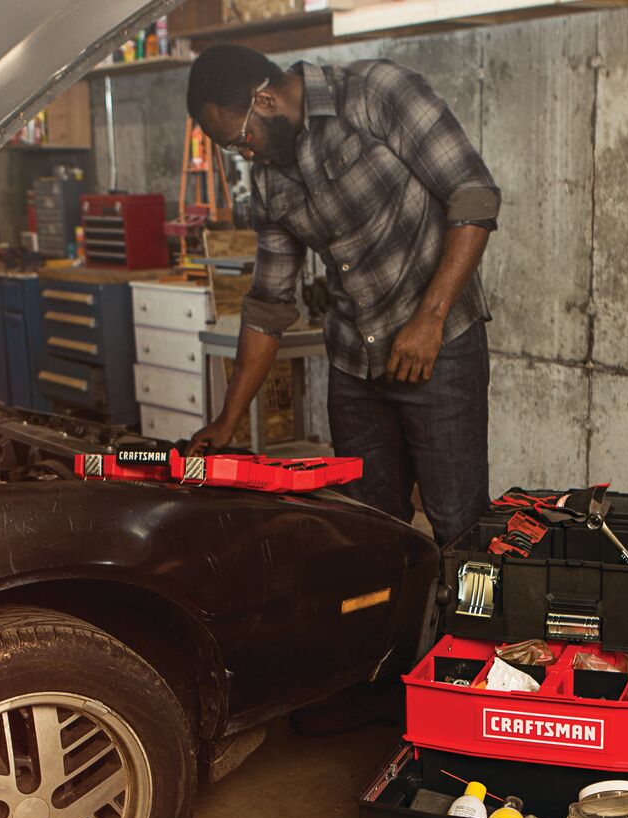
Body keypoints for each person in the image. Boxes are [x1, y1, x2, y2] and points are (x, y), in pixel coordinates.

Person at [186, 44, 499, 546]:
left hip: (438, 346)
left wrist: (430, 319)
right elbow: (268, 304)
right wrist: (229, 419)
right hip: (355, 362)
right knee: (366, 527)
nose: (245, 155)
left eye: (241, 140)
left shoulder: (376, 92)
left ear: (263, 100)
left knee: (457, 526)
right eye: (233, 150)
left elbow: (474, 194)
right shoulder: (269, 179)